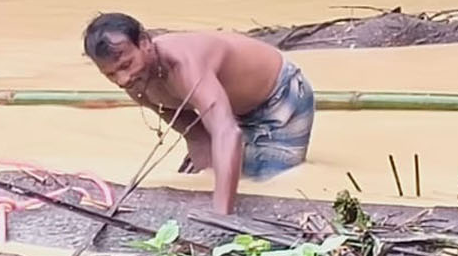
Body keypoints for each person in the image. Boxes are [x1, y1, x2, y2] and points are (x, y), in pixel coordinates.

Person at [82, 12, 314, 216]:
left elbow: (226, 133)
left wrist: (222, 216)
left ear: (144, 42)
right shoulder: (138, 84)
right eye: (111, 75)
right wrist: (206, 179)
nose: (123, 80)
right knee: (220, 173)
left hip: (280, 96)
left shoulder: (184, 64)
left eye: (126, 65)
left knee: (269, 179)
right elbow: (197, 135)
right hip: (232, 108)